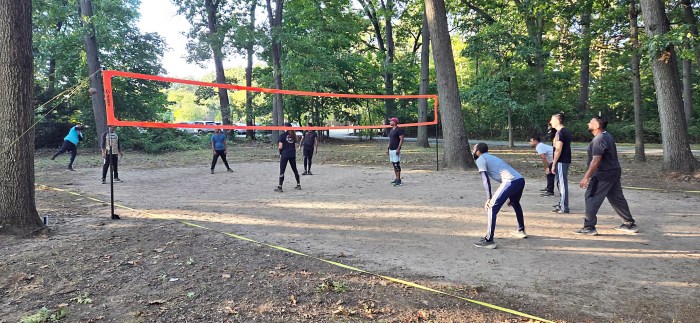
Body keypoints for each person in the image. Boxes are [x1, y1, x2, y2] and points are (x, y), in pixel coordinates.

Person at [576, 117, 638, 235]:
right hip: (613, 172)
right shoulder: (607, 135)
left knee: (591, 197)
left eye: (591, 122)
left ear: (597, 126)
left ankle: (589, 227)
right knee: (616, 198)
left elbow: (596, 160)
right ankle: (629, 224)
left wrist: (586, 177)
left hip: (603, 174)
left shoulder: (599, 139)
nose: (588, 123)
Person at [472, 143, 527, 249]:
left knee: (491, 208)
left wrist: (489, 198)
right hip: (520, 179)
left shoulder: (480, 159)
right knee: (515, 203)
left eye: (474, 149)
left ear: (478, 152)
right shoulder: (491, 157)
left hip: (510, 181)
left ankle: (489, 240)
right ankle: (521, 230)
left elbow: (485, 179)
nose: (473, 151)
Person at [549, 112, 572, 213]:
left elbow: (558, 149)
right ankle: (561, 204)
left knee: (562, 183)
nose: (550, 122)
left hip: (562, 161)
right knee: (560, 183)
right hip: (564, 160)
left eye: (552, 120)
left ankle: (564, 207)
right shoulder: (565, 131)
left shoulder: (560, 133)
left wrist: (553, 163)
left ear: (558, 121)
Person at [275, 123, 301, 192]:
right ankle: (298, 184)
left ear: (285, 127)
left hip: (285, 155)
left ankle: (280, 187)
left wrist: (280, 153)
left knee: (282, 170)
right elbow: (295, 145)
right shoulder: (294, 136)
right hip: (292, 154)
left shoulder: (282, 136)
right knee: (295, 169)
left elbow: (280, 146)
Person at [386, 117, 404, 186]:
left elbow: (401, 139)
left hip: (395, 149)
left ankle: (399, 180)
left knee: (397, 165)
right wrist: (388, 149)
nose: (390, 122)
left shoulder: (398, 130)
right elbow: (390, 140)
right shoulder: (391, 130)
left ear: (395, 122)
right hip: (391, 149)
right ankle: (396, 178)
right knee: (394, 164)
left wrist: (398, 148)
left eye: (391, 121)